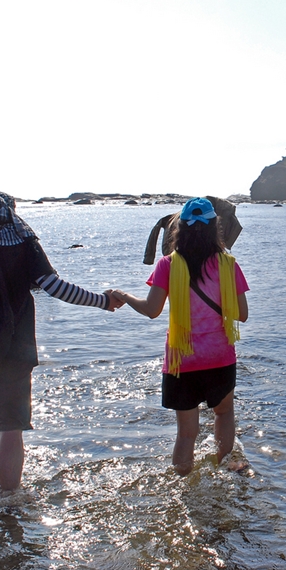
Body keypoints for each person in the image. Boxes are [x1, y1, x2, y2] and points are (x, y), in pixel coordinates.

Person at [0, 191, 121, 493]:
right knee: (10, 425)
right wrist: (103, 301)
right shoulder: (19, 237)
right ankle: (8, 500)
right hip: (12, 348)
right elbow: (55, 287)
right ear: (12, 210)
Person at [111, 198, 250, 475]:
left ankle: (183, 490)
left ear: (180, 229)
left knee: (186, 434)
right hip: (220, 358)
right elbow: (242, 315)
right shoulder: (228, 264)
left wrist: (125, 297)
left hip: (181, 361)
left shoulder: (167, 265)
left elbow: (152, 310)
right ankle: (225, 471)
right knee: (223, 414)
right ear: (215, 228)